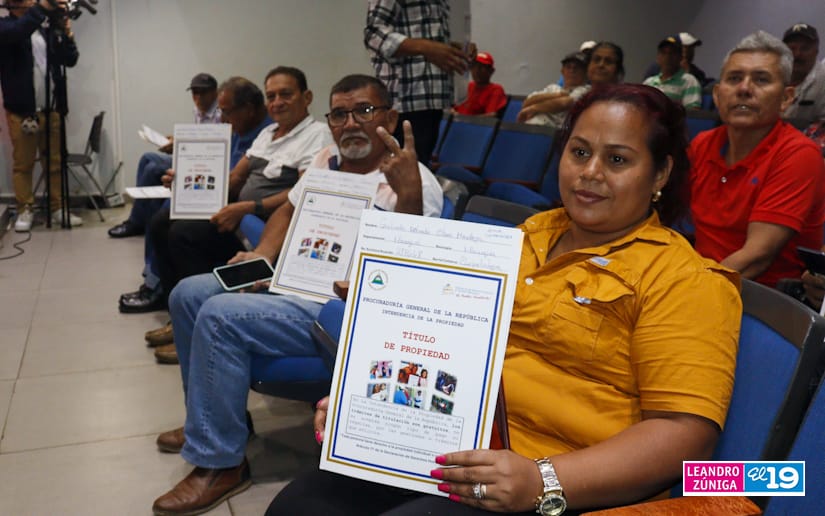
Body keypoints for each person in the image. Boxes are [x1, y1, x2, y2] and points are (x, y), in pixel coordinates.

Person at [267, 83, 741, 515]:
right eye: (579, 152)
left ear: (660, 173)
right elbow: (441, 340)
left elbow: (684, 435)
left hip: (564, 483)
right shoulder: (529, 234)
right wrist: (367, 405)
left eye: (617, 160)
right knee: (299, 505)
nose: (590, 173)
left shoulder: (683, 279)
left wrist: (543, 481)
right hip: (459, 447)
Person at [150, 74, 442, 515]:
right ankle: (211, 424)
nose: (350, 123)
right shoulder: (326, 159)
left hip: (343, 307)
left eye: (364, 111)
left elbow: (413, 271)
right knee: (189, 294)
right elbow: (288, 210)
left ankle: (219, 463)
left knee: (220, 314)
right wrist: (263, 256)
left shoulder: (415, 181)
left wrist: (408, 196)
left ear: (391, 116)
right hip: (293, 282)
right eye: (339, 114)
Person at [118, 75, 277, 318]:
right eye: (272, 96)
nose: (223, 119)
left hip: (244, 212)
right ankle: (169, 300)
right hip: (228, 201)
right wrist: (187, 180)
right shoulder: (255, 131)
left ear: (248, 108)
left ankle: (194, 311)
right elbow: (231, 176)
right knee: (161, 220)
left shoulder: (264, 132)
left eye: (227, 112)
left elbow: (240, 184)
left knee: (182, 232)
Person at [690, 31, 825, 288]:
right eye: (734, 78)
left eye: (761, 80)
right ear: (717, 95)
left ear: (786, 98)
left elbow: (756, 258)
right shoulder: (702, 144)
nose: (744, 89)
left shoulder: (798, 154)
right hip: (701, 278)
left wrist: (684, 293)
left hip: (762, 298)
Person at [107, 73, 222, 239]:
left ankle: (136, 223)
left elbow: (212, 150)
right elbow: (199, 138)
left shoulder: (220, 114)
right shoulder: (199, 110)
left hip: (202, 164)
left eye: (203, 93)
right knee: (146, 158)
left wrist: (179, 146)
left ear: (215, 93)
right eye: (194, 93)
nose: (198, 98)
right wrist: (177, 140)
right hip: (191, 156)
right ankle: (138, 219)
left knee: (152, 169)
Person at [1, 0, 81, 232]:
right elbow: (18, 31)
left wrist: (66, 33)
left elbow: (70, 60)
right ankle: (25, 209)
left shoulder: (45, 30)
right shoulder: (5, 26)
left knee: (55, 163)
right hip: (22, 111)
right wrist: (44, 6)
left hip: (51, 108)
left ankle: (57, 208)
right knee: (23, 164)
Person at [365, 0, 475, 162]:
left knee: (419, 168)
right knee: (403, 170)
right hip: (404, 101)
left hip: (431, 99)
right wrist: (427, 47)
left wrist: (450, 49)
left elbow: (421, 34)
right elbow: (374, 34)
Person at [517, 51, 589, 128]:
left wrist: (533, 108)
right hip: (530, 128)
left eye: (576, 68)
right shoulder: (553, 87)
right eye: (568, 67)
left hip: (553, 132)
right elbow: (527, 102)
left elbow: (564, 103)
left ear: (586, 73)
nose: (572, 70)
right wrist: (558, 95)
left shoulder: (586, 90)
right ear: (562, 71)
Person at [781, 23, 825, 127]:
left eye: (805, 48)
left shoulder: (823, 80)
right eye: (792, 48)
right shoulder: (771, 73)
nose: (797, 54)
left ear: (816, 52)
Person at [643, 36, 701, 109]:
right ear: (658, 57)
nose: (667, 57)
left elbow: (693, 111)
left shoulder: (689, 81)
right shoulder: (649, 82)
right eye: (663, 53)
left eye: (672, 53)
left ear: (680, 57)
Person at [643, 32, 710, 87]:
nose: (690, 52)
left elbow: (703, 87)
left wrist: (688, 72)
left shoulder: (696, 72)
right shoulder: (657, 68)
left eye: (692, 48)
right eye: (687, 48)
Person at [453, 51, 507, 116]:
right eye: (473, 66)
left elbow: (490, 116)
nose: (476, 71)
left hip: (472, 122)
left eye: (481, 67)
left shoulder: (496, 90)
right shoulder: (467, 86)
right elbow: (454, 108)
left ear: (491, 71)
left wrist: (463, 118)